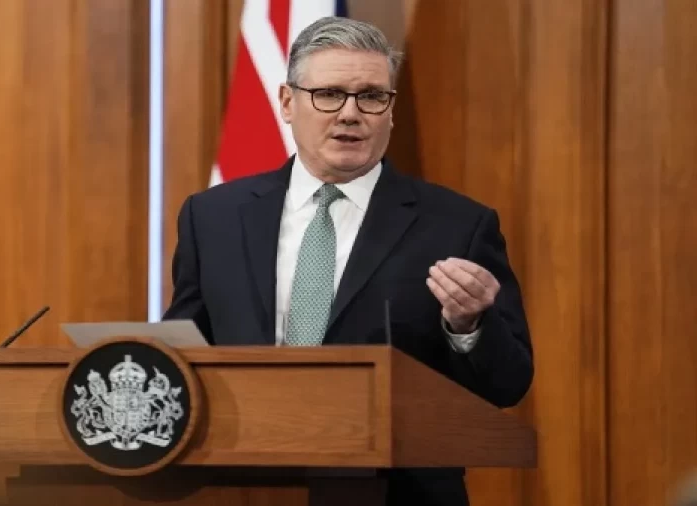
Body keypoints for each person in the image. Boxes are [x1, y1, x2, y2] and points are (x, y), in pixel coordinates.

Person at [163, 16, 533, 506]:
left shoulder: (457, 226)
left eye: (372, 96)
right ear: (287, 102)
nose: (351, 113)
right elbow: (184, 353)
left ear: (390, 110)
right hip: (244, 487)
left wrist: (470, 327)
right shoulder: (213, 217)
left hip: (399, 494)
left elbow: (508, 385)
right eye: (329, 94)